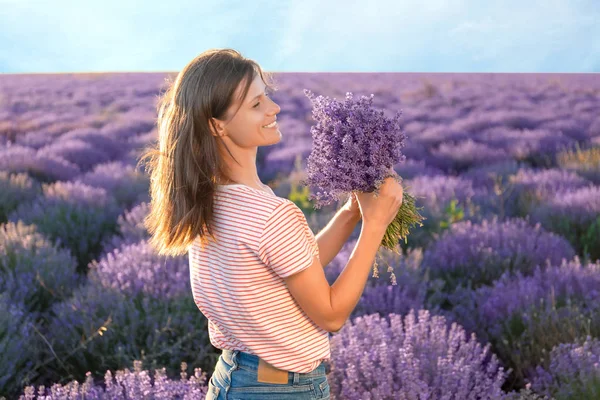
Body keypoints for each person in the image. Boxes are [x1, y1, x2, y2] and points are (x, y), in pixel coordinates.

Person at [138, 48, 403, 399]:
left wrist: (350, 213)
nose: (273, 109)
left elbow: (289, 268)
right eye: (255, 104)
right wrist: (375, 226)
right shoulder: (271, 215)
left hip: (234, 379)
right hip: (282, 390)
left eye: (267, 98)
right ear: (217, 125)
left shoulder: (208, 201)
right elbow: (331, 315)